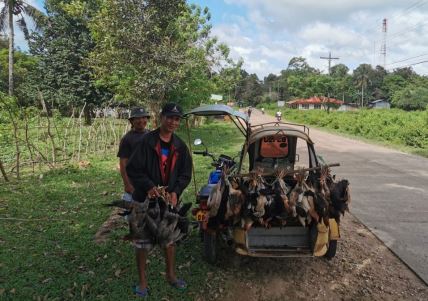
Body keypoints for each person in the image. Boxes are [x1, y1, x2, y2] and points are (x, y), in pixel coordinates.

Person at [126, 103, 192, 297]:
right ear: (161, 117)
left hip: (168, 202)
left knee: (169, 239)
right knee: (143, 242)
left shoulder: (180, 146)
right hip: (144, 201)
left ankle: (171, 276)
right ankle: (143, 283)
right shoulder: (146, 142)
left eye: (177, 119)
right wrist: (149, 186)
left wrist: (176, 191)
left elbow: (185, 174)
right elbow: (132, 169)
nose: (173, 122)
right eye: (170, 117)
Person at [117, 107, 151, 200]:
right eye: (138, 118)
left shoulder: (150, 135)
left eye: (144, 118)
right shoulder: (127, 139)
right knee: (132, 208)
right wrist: (127, 184)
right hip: (134, 181)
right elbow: (123, 163)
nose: (141, 120)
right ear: (132, 121)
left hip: (149, 180)